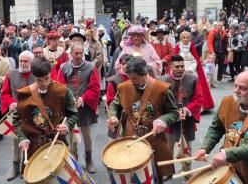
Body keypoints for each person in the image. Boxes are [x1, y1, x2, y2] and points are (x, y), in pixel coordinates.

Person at [107, 57, 180, 181]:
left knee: (155, 177)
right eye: (130, 77)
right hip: (130, 139)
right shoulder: (123, 87)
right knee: (132, 176)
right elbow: (115, 104)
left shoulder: (162, 89)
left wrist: (163, 120)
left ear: (145, 74)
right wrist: (113, 116)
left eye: (135, 78)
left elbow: (174, 113)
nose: (131, 81)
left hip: (154, 139)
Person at [13, 57, 78, 158]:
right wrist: (22, 138)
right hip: (33, 148)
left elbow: (73, 114)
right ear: (33, 76)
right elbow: (17, 120)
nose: (43, 84)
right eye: (39, 80)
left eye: (46, 78)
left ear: (50, 73)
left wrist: (67, 125)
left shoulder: (63, 91)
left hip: (57, 144)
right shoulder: (25, 94)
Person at [57, 44, 101, 173]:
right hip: (69, 106)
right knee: (71, 133)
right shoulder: (64, 67)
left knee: (86, 134)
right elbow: (60, 86)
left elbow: (95, 87)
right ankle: (73, 157)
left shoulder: (90, 67)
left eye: (81, 53)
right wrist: (68, 101)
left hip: (84, 105)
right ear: (71, 53)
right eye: (76, 53)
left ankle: (89, 158)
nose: (79, 56)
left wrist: (84, 98)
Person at [158, 55, 202, 171]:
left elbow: (198, 99)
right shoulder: (162, 81)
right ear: (170, 67)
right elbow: (158, 102)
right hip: (169, 120)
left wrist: (187, 110)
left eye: (182, 66)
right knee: (167, 148)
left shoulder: (193, 79)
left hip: (186, 119)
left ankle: (186, 171)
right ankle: (167, 172)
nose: (180, 69)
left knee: (187, 147)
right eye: (177, 66)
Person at [0, 51, 35, 180]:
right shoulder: (11, 74)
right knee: (16, 140)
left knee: (33, 139)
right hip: (16, 114)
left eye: (26, 61)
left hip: (33, 114)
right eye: (21, 60)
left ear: (31, 62)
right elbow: (5, 93)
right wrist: (11, 103)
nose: (22, 63)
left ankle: (29, 166)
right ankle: (15, 165)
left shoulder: (37, 74)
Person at [174, 31, 215, 111]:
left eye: (187, 37)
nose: (185, 39)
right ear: (181, 38)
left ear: (189, 38)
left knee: (195, 87)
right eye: (183, 37)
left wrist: (191, 69)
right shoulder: (178, 46)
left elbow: (195, 59)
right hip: (180, 69)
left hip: (192, 69)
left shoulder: (191, 46)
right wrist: (182, 68)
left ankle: (197, 107)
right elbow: (175, 59)